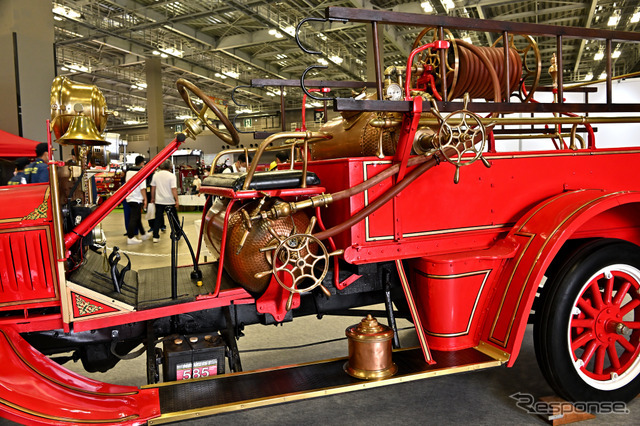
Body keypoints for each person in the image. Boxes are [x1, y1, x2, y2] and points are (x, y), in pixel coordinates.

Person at [150, 160, 179, 242]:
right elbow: (173, 189)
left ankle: (155, 236)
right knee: (174, 219)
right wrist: (176, 199)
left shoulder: (156, 175)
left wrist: (152, 198)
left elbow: (153, 188)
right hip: (169, 201)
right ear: (170, 167)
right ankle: (178, 233)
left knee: (158, 219)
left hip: (159, 201)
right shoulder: (172, 176)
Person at [125, 156, 150, 245]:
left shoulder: (129, 172)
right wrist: (145, 199)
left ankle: (143, 234)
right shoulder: (141, 172)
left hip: (129, 197)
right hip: (137, 198)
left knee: (137, 217)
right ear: (142, 163)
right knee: (134, 218)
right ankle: (130, 237)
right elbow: (142, 188)